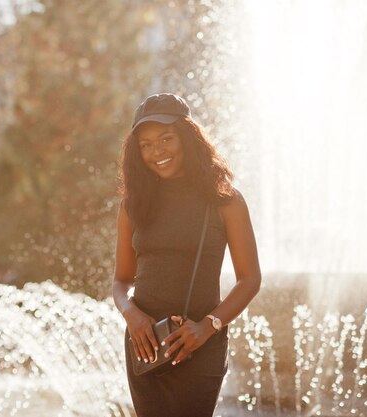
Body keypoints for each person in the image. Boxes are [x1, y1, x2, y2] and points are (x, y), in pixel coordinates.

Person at [112, 93, 261, 417]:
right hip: (146, 344)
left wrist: (208, 326)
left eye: (166, 139)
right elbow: (121, 281)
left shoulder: (225, 201)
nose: (157, 152)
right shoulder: (133, 204)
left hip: (201, 345)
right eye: (146, 145)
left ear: (188, 136)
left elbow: (250, 279)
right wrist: (132, 315)